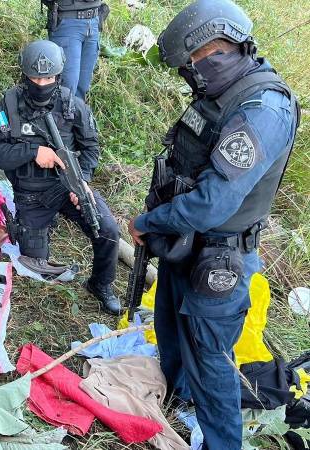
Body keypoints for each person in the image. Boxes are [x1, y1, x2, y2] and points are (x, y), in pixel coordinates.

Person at [127, 1, 301, 448]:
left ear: (214, 48)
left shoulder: (263, 109)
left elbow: (211, 203)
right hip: (180, 245)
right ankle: (175, 400)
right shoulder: (220, 94)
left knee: (211, 363)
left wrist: (148, 221)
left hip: (217, 258)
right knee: (169, 328)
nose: (188, 74)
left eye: (189, 64)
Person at [0, 40, 121, 315]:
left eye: (48, 77)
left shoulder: (72, 106)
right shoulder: (9, 104)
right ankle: (37, 228)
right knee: (35, 263)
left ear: (58, 75)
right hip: (30, 193)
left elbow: (91, 148)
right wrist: (33, 151)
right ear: (24, 75)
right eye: (35, 77)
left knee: (108, 230)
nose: (42, 83)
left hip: (65, 186)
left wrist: (82, 182)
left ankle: (101, 284)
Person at [42, 0, 109, 100]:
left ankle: (76, 113)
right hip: (67, 21)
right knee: (67, 87)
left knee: (83, 86)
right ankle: (61, 115)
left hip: (94, 20)